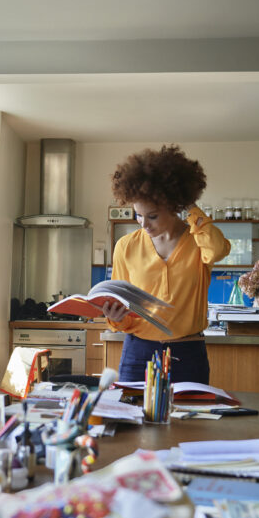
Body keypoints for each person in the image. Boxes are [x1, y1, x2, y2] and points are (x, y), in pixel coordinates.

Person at [101, 145, 230, 384]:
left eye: (152, 216)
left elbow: (218, 250)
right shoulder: (126, 246)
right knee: (133, 421)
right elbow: (124, 311)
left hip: (188, 353)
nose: (143, 224)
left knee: (191, 421)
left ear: (174, 207)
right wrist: (117, 317)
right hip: (138, 354)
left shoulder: (198, 242)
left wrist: (189, 206)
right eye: (137, 215)